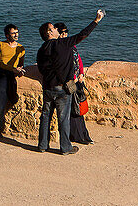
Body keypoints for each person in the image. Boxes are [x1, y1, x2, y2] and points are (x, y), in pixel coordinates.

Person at [35, 9, 105, 154]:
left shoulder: (41, 49)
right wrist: (96, 20)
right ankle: (65, 147)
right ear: (49, 33)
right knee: (63, 119)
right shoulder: (63, 44)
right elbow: (82, 35)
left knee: (46, 117)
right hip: (63, 89)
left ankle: (42, 145)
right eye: (53, 28)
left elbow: (41, 69)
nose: (56, 29)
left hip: (48, 87)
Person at [56, 22, 93, 144]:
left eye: (66, 32)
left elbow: (78, 60)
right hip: (69, 82)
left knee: (78, 108)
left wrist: (81, 73)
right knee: (73, 109)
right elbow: (63, 66)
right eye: (62, 33)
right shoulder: (60, 47)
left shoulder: (71, 45)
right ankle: (76, 135)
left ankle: (83, 134)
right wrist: (73, 77)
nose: (65, 35)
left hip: (77, 81)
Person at [0, 24, 25, 139]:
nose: (16, 35)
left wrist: (18, 71)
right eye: (13, 33)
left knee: (0, 105)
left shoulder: (21, 48)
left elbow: (20, 65)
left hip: (6, 78)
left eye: (17, 32)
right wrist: (12, 69)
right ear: (7, 35)